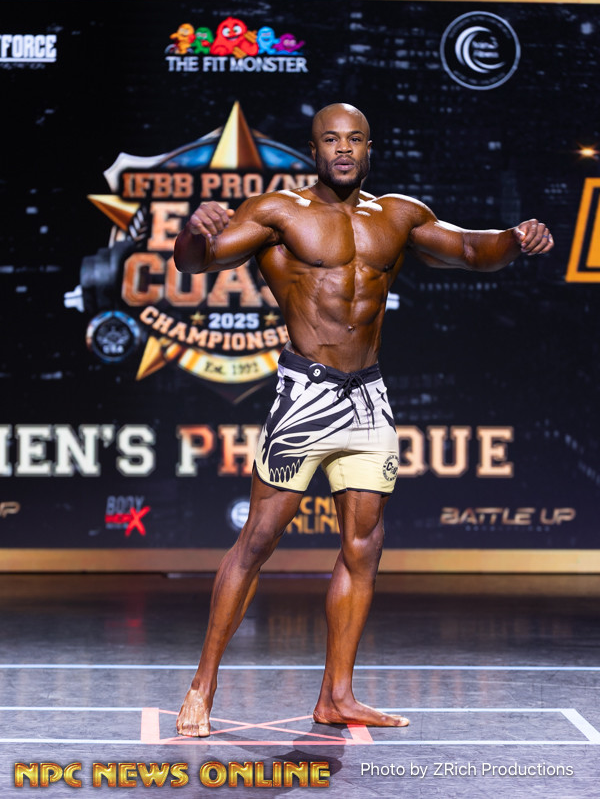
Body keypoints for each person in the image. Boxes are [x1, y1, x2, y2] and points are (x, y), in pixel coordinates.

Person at [173, 102, 553, 737]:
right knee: (258, 540)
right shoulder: (278, 212)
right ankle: (202, 687)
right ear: (314, 150)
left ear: (370, 149)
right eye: (331, 140)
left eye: (354, 139)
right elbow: (200, 261)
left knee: (363, 547)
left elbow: (467, 249)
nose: (343, 149)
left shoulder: (398, 215)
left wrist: (514, 240)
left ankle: (337, 696)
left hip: (368, 400)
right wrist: (193, 231)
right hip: (305, 396)